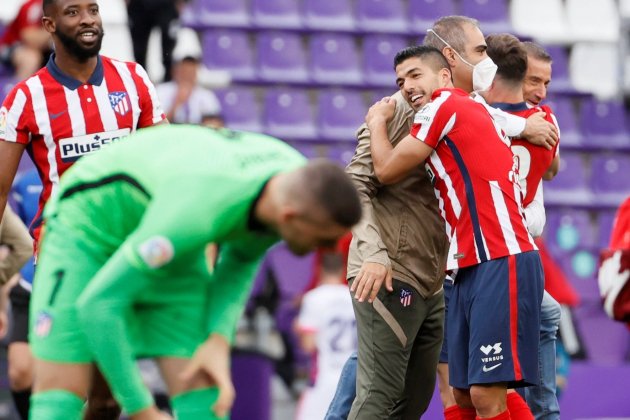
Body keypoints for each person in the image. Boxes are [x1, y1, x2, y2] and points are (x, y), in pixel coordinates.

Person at [29, 124, 362, 420]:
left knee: (205, 393)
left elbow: (239, 263)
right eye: (324, 239)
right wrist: (142, 409)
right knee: (59, 400)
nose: (329, 250)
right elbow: (98, 305)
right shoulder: (195, 213)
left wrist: (217, 342)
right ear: (290, 217)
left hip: (172, 241)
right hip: (90, 229)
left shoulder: (294, 185)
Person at [0, 0, 166, 417]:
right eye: (74, 12)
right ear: (50, 25)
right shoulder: (26, 97)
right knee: (62, 383)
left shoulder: (133, 78)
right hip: (62, 251)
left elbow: (167, 162)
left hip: (124, 252)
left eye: (92, 9)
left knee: (106, 395)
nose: (88, 19)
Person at [367, 45, 544, 420]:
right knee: (462, 393)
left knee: (484, 393)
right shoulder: (475, 108)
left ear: (445, 75)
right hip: (467, 264)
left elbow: (383, 171)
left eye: (416, 75)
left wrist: (376, 122)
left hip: (500, 257)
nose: (407, 87)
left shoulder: (443, 106)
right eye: (400, 81)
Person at [482, 34, 562, 420]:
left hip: (512, 247)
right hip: (483, 250)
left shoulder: (536, 118)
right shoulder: (499, 117)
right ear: (511, 77)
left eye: (547, 83)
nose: (541, 91)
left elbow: (553, 165)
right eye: (534, 80)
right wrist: (521, 127)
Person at [295, 253, 357, 420]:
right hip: (352, 378)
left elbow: (308, 345)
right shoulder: (355, 298)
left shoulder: (313, 298)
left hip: (323, 378)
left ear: (319, 270)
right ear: (344, 270)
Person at [6, 168, 40, 420]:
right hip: (30, 286)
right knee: (20, 373)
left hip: (78, 287)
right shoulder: (24, 183)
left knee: (100, 398)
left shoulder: (95, 171)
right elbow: (18, 243)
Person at [126, 0, 186, 82]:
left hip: (168, 5)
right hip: (138, 5)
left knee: (168, 48)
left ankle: (169, 80)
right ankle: (141, 80)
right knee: (139, 50)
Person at [156, 55, 222, 125]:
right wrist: (176, 103)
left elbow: (216, 124)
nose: (187, 76)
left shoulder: (206, 95)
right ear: (175, 72)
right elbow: (157, 124)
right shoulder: (161, 91)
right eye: (184, 72)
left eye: (191, 73)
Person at [0, 0, 52, 80]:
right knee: (31, 58)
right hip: (12, 47)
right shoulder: (33, 6)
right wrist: (56, 25)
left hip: (45, 50)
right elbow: (30, 40)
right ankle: (19, 91)